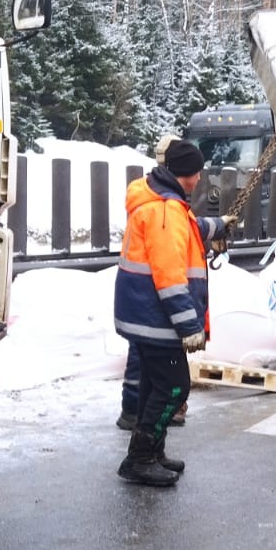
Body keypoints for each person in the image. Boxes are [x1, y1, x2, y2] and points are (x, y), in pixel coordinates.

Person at [113, 139, 228, 486]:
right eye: (195, 174)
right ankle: (140, 457)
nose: (197, 181)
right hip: (157, 319)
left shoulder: (159, 202)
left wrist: (220, 224)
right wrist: (189, 326)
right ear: (184, 175)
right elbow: (169, 276)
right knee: (175, 388)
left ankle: (152, 452)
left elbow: (189, 230)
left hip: (144, 315)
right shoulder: (165, 211)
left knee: (153, 385)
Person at [118, 133, 180, 429]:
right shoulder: (161, 203)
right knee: (149, 356)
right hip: (149, 291)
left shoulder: (145, 192)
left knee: (138, 352)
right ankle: (137, 414)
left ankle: (132, 409)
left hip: (136, 290)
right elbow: (166, 253)